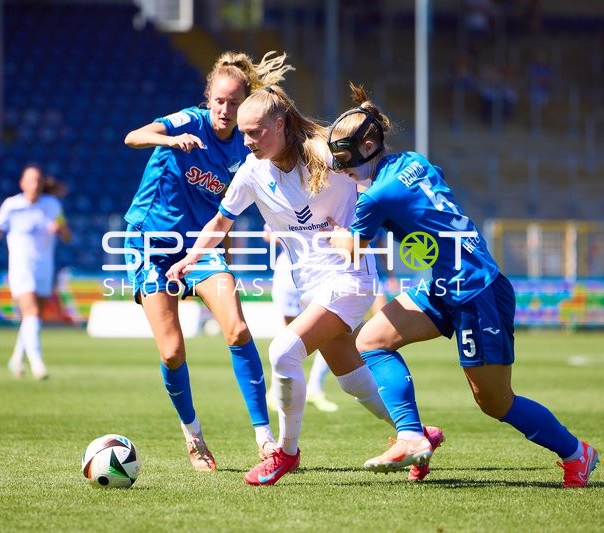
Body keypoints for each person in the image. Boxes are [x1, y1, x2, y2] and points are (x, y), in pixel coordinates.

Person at [168, 84, 444, 485]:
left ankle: (285, 453)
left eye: (255, 132)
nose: (246, 141)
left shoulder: (325, 153)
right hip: (312, 285)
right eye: (243, 133)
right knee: (352, 380)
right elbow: (220, 223)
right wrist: (191, 257)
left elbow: (374, 177)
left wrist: (371, 225)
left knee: (283, 352)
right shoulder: (251, 172)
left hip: (350, 277)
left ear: (280, 124)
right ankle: (416, 434)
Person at [326, 83, 598, 488]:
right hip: (443, 282)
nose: (341, 168)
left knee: (495, 402)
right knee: (372, 340)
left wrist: (330, 233)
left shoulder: (375, 197)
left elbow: (353, 249)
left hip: (476, 291)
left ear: (368, 146)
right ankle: (413, 436)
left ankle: (578, 453)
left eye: (344, 159)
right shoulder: (414, 161)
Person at [121, 51, 292, 473]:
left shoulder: (244, 147)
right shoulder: (189, 122)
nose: (225, 109)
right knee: (174, 352)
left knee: (236, 328)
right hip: (151, 244)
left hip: (200, 247)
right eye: (219, 100)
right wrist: (168, 140)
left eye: (234, 102)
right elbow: (133, 136)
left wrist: (226, 264)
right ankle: (193, 436)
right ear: (208, 98)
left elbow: (226, 211)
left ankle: (264, 439)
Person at [0, 165, 71, 381]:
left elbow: (67, 236)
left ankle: (16, 359)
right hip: (21, 268)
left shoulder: (52, 205)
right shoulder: (12, 205)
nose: (34, 184)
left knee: (32, 317)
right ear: (22, 183)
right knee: (31, 311)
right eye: (30, 180)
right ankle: (37, 364)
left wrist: (59, 229)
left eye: (38, 180)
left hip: (44, 268)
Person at [266, 236, 339, 413]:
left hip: (325, 270)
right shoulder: (281, 207)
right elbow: (268, 235)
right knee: (289, 335)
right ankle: (276, 391)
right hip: (291, 271)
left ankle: (315, 387)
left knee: (331, 333)